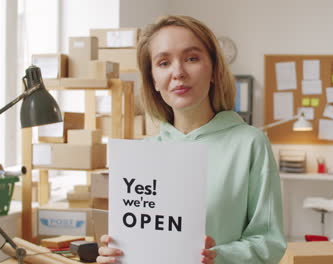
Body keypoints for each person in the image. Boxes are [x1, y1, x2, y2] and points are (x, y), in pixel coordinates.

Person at [96, 15, 286, 264]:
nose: (178, 73)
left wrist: (217, 257)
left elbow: (269, 242)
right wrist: (116, 255)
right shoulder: (142, 154)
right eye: (163, 63)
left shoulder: (249, 144)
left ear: (214, 70)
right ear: (153, 79)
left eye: (192, 58)